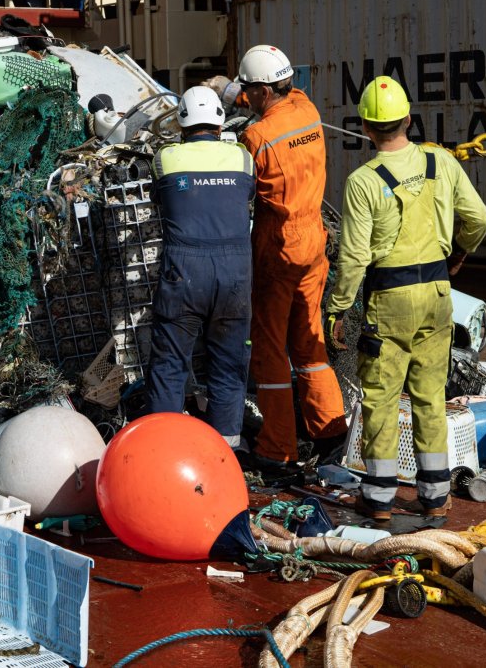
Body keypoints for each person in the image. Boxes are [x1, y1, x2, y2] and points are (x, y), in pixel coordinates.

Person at [325, 77, 486, 522]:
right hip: (438, 295)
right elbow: (478, 218)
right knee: (430, 395)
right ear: (409, 120)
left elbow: (355, 255)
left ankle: (378, 500)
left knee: (380, 397)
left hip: (389, 301)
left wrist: (339, 308)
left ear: (365, 126)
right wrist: (459, 251)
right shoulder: (442, 162)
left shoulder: (362, 181)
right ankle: (435, 496)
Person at [206, 45, 347, 477]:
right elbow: (271, 101)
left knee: (269, 348)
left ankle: (278, 448)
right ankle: (329, 430)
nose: (245, 96)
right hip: (314, 243)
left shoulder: (257, 138)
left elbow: (238, 190)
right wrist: (231, 90)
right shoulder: (307, 109)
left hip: (279, 246)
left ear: (264, 90)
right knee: (310, 341)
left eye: (250, 91)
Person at [144, 86, 256, 449]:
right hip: (235, 272)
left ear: (181, 122)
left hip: (185, 270)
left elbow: (158, 198)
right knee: (227, 368)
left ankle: (167, 449)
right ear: (220, 122)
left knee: (170, 365)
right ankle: (226, 454)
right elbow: (247, 196)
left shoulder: (165, 158)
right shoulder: (242, 159)